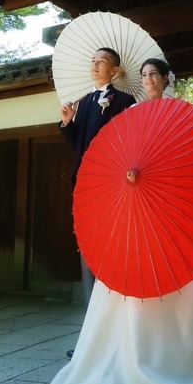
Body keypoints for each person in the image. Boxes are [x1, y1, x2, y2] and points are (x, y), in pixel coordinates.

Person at [48, 57, 193, 384]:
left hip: (169, 205)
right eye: (145, 75)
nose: (149, 79)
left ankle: (182, 353)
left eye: (154, 75)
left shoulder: (179, 115)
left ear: (166, 79)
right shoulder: (128, 113)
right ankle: (123, 350)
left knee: (178, 270)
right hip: (135, 201)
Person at [59, 47, 136, 304]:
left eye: (100, 62)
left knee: (111, 242)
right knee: (86, 244)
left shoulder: (125, 101)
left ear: (114, 70)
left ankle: (115, 302)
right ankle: (92, 311)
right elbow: (79, 146)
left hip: (111, 184)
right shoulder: (85, 102)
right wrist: (69, 122)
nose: (94, 65)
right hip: (84, 184)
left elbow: (128, 143)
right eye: (92, 61)